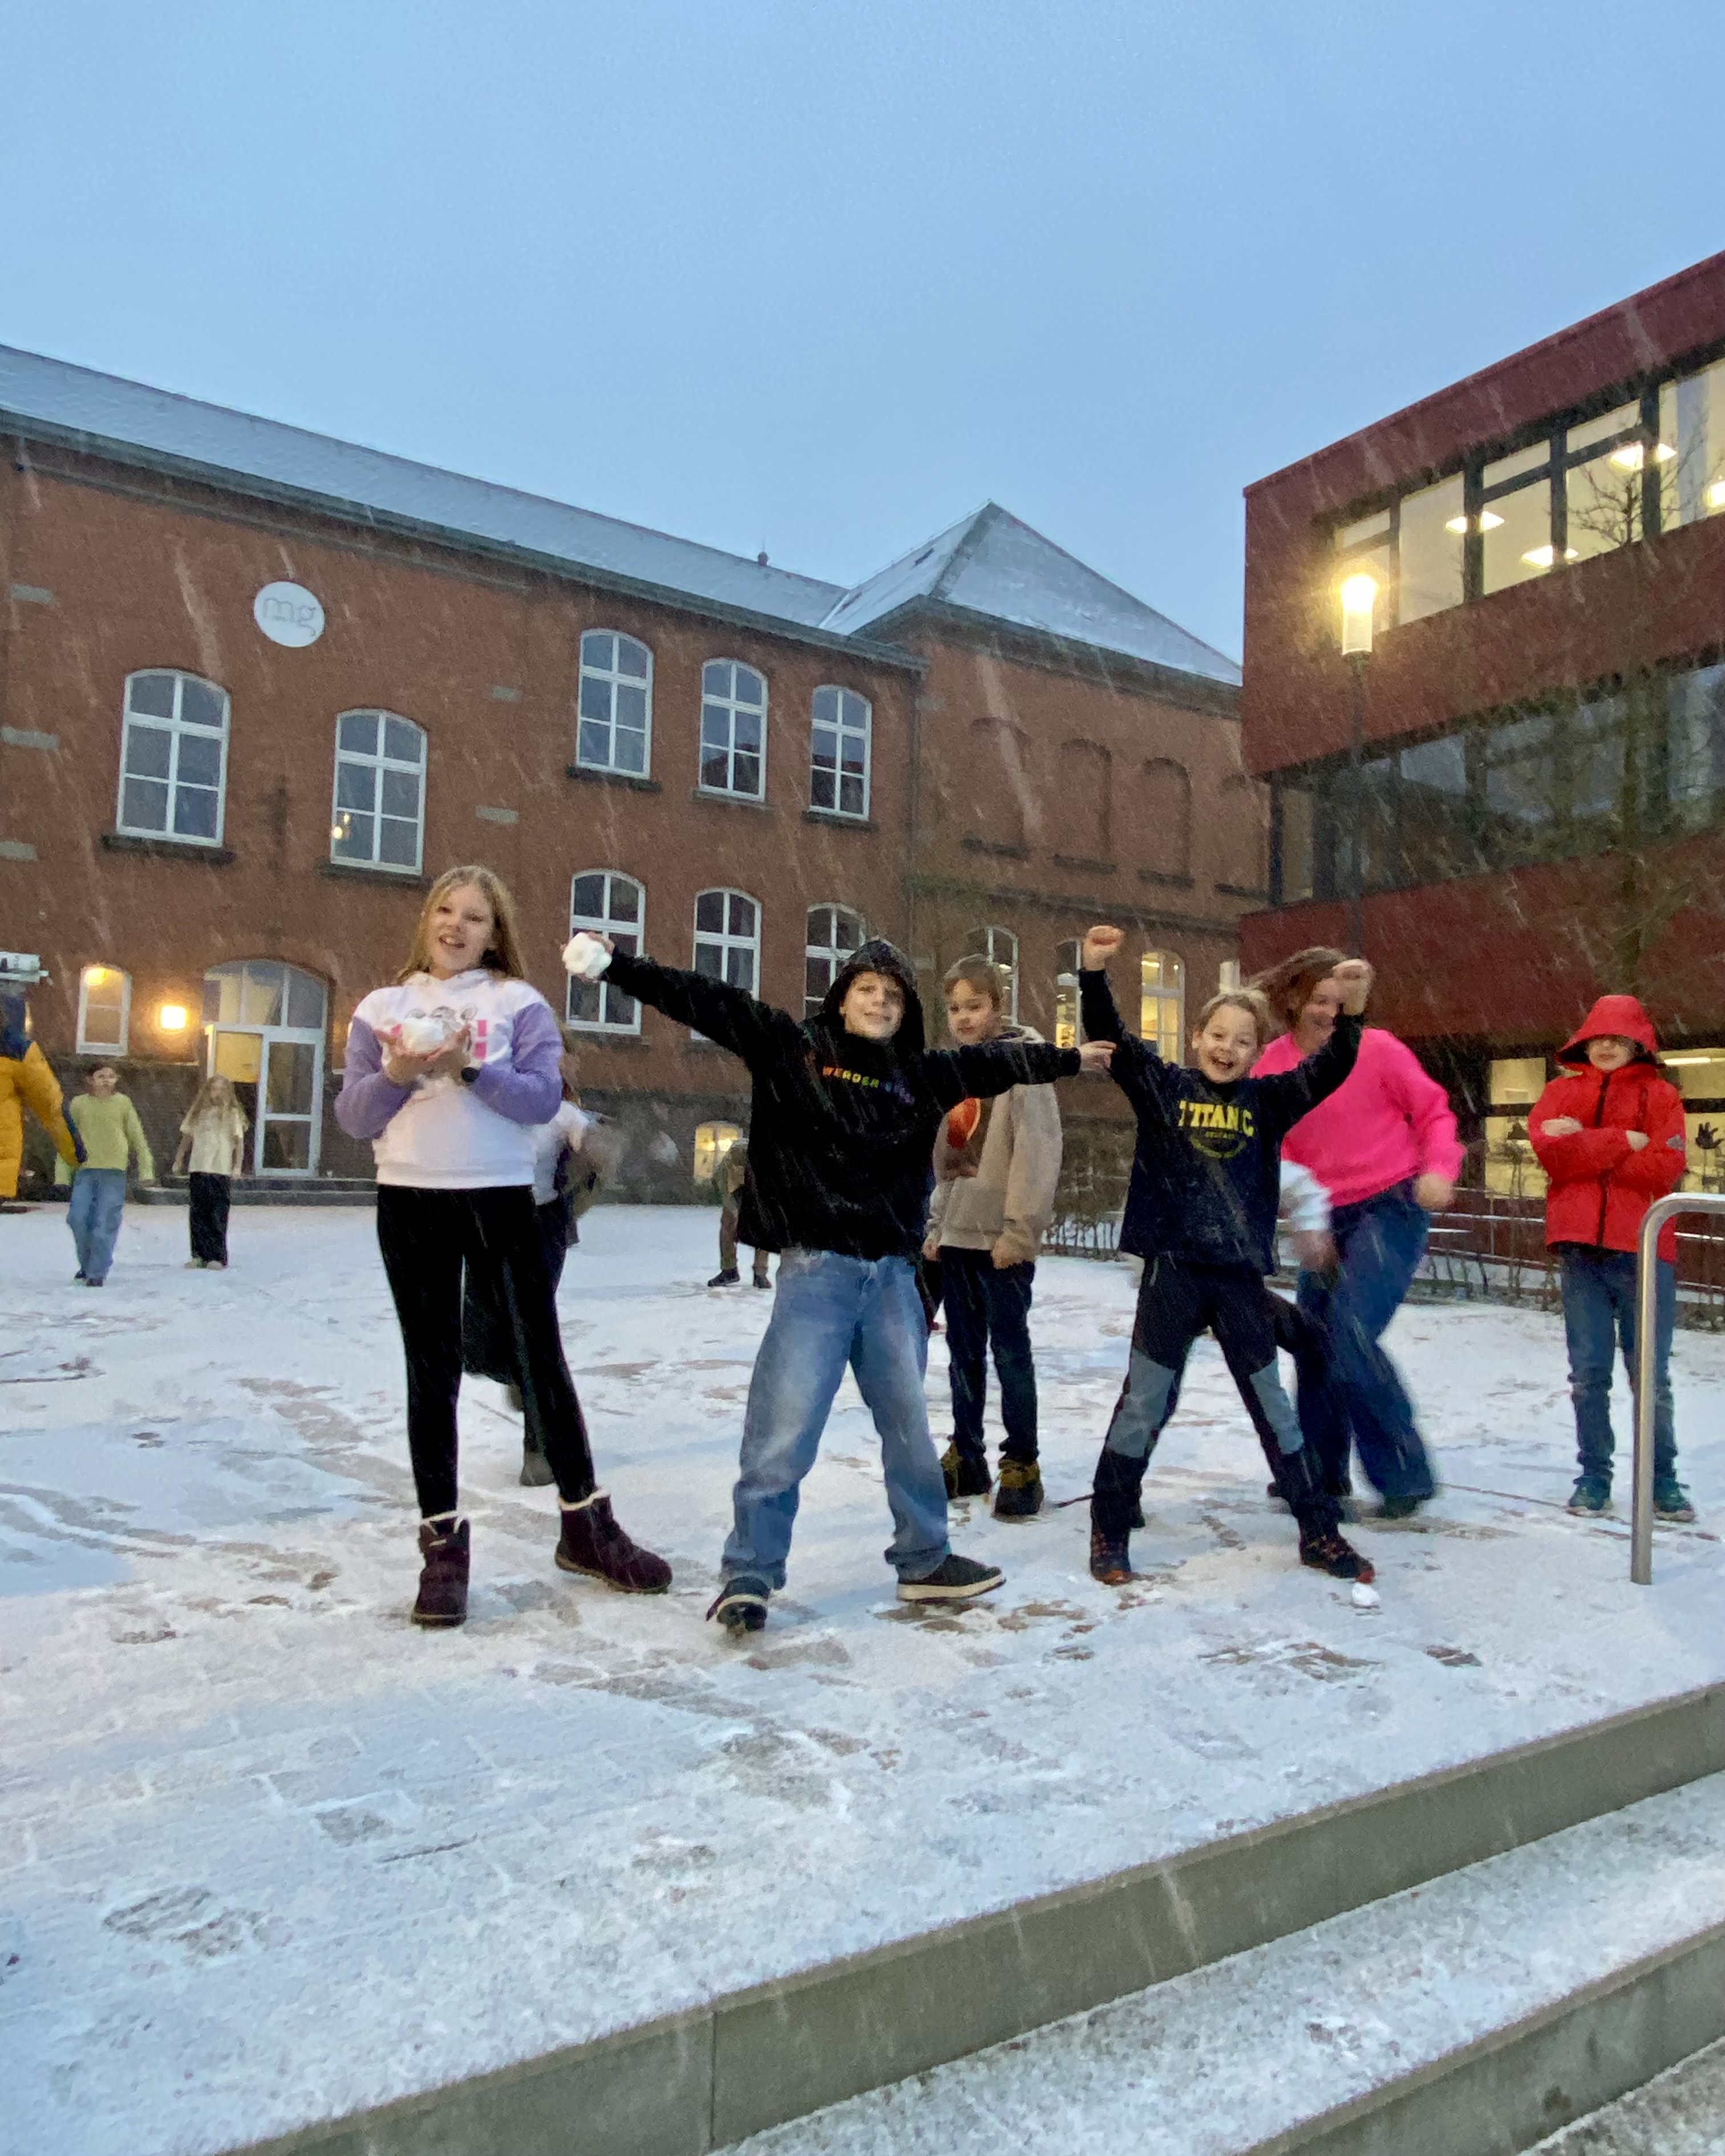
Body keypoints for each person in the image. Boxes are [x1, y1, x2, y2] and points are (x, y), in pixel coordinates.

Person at [563, 926, 1111, 1632]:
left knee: (909, 1430)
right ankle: (750, 1572)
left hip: (891, 1280)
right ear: (843, 997)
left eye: (893, 996)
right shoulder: (793, 1049)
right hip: (816, 1275)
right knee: (783, 1430)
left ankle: (925, 1558)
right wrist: (617, 967)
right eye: (867, 990)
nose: (880, 1003)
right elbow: (705, 999)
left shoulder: (919, 1073)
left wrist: (1070, 1058)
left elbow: (994, 1063)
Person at [337, 865, 669, 1628]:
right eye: (445, 911)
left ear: (495, 933)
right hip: (411, 1199)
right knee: (431, 1369)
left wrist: (467, 1068)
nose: (456, 926)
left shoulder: (517, 1002)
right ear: (427, 919)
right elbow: (355, 1116)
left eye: (475, 917)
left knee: (540, 1359)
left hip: (499, 1196)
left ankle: (586, 1526)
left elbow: (541, 1098)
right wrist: (397, 1072)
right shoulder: (382, 1008)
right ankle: (442, 1549)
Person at [1077, 926, 1376, 1587]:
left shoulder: (1267, 1102)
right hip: (1173, 1272)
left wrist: (1352, 1013)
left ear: (1256, 1053)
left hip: (1239, 1278)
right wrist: (1094, 973)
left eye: (1243, 1042)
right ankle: (1110, 1527)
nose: (1228, 1049)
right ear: (1196, 1038)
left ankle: (1318, 1531)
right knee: (1144, 1400)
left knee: (1272, 1405)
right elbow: (1115, 1040)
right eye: (1218, 1035)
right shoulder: (1164, 1088)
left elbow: (1329, 1069)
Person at [1250, 947, 1463, 1519]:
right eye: (1317, 1000)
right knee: (1315, 1343)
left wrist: (1440, 1168)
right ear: (1292, 1000)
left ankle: (1404, 1474)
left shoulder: (1378, 1049)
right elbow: (1270, 1150)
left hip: (1391, 1205)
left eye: (1338, 1002)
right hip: (1323, 1213)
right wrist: (1305, 1222)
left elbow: (1435, 1112)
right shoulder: (1272, 1066)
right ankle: (1319, 1475)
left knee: (1350, 1333)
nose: (1327, 1012)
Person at [1528, 996, 1694, 1522]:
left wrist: (1583, 1145)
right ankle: (1594, 1479)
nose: (1605, 1047)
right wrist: (1623, 1141)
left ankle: (1662, 1480)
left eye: (1618, 1039)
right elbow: (1551, 1156)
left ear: (1638, 1045)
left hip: (1645, 1251)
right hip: (1581, 1251)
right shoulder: (1559, 1092)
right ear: (1583, 1043)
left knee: (1651, 1379)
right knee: (1588, 1375)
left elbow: (1663, 1168)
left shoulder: (1662, 1095)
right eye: (1597, 1038)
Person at [922, 955, 1063, 1520]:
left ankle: (1022, 1462)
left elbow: (1038, 1152)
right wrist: (938, 1225)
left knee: (1009, 1354)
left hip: (1002, 1242)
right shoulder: (957, 1069)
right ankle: (967, 1453)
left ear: (998, 1007)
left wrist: (1020, 1230)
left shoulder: (1023, 1065)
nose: (964, 1018)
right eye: (954, 1008)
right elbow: (947, 1157)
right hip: (959, 1236)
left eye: (974, 1006)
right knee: (963, 1355)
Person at [460, 1043, 591, 1488]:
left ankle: (538, 1448)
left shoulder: (562, 1112)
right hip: (488, 1224)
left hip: (540, 1228)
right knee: (480, 1336)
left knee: (533, 1334)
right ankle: (517, 1373)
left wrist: (600, 1152)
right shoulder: (489, 1104)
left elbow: (592, 1147)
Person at [56, 1065, 154, 1286]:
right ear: (90, 1080)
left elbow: (137, 1137)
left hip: (114, 1172)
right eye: (101, 1077)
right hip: (85, 1171)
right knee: (78, 1219)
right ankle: (87, 1265)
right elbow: (67, 1139)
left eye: (111, 1077)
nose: (107, 1081)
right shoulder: (79, 1104)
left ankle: (97, 1271)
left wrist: (146, 1169)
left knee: (105, 1223)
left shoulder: (123, 1103)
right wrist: (62, 1175)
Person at [0, 986, 83, 1204]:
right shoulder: (17, 1050)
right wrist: (76, 1155)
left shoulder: (17, 1051)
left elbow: (51, 1107)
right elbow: (51, 1107)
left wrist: (75, 1154)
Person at [171, 1073, 248, 1268]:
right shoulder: (199, 1113)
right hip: (199, 1168)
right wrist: (179, 1159)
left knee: (217, 1213)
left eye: (222, 1090)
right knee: (198, 1213)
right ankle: (199, 1254)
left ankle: (217, 1256)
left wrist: (237, 1166)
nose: (218, 1093)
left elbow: (239, 1143)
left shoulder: (232, 1115)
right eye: (214, 1089)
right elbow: (187, 1138)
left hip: (220, 1170)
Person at [710, 1136, 770, 1288]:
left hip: (760, 1187)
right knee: (729, 1223)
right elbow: (728, 1196)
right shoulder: (733, 1160)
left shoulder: (775, 1165)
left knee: (764, 1226)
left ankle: (760, 1273)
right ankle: (729, 1270)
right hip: (732, 1184)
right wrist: (735, 1218)